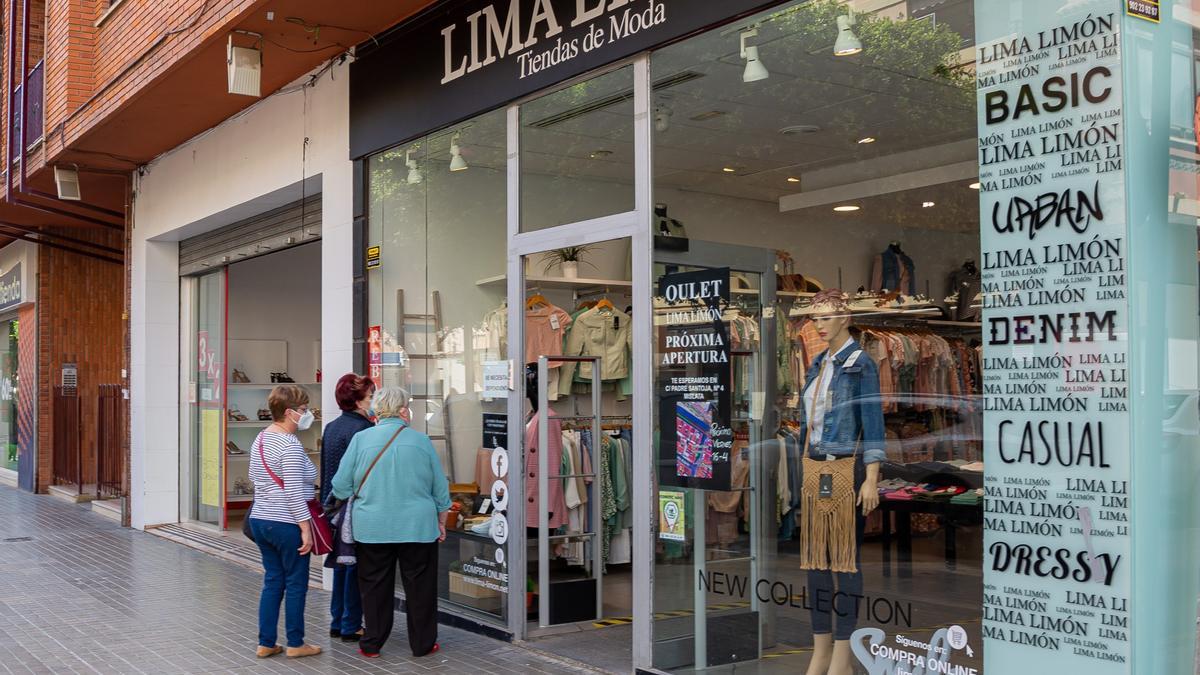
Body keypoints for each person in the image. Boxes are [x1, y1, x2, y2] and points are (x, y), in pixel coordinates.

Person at [331, 386, 451, 659]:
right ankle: (422, 644)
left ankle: (372, 643)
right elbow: (440, 490)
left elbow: (340, 487)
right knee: (420, 587)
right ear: (403, 409)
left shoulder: (361, 440)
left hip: (372, 527)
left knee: (374, 587)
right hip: (418, 527)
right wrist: (441, 521)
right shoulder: (421, 441)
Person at [247, 385, 322, 659]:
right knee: (296, 583)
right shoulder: (289, 445)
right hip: (286, 523)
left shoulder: (262, 438)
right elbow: (292, 491)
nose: (307, 414)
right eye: (304, 410)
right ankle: (296, 643)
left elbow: (255, 476)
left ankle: (266, 642)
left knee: (273, 581)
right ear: (289, 413)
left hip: (261, 519)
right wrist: (305, 529)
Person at [320, 373, 376, 643]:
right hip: (354, 507)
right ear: (358, 400)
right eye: (370, 396)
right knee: (355, 567)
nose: (373, 401)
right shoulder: (363, 430)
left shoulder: (332, 427)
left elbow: (326, 471)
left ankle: (338, 620)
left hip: (333, 508)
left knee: (342, 565)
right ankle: (351, 624)